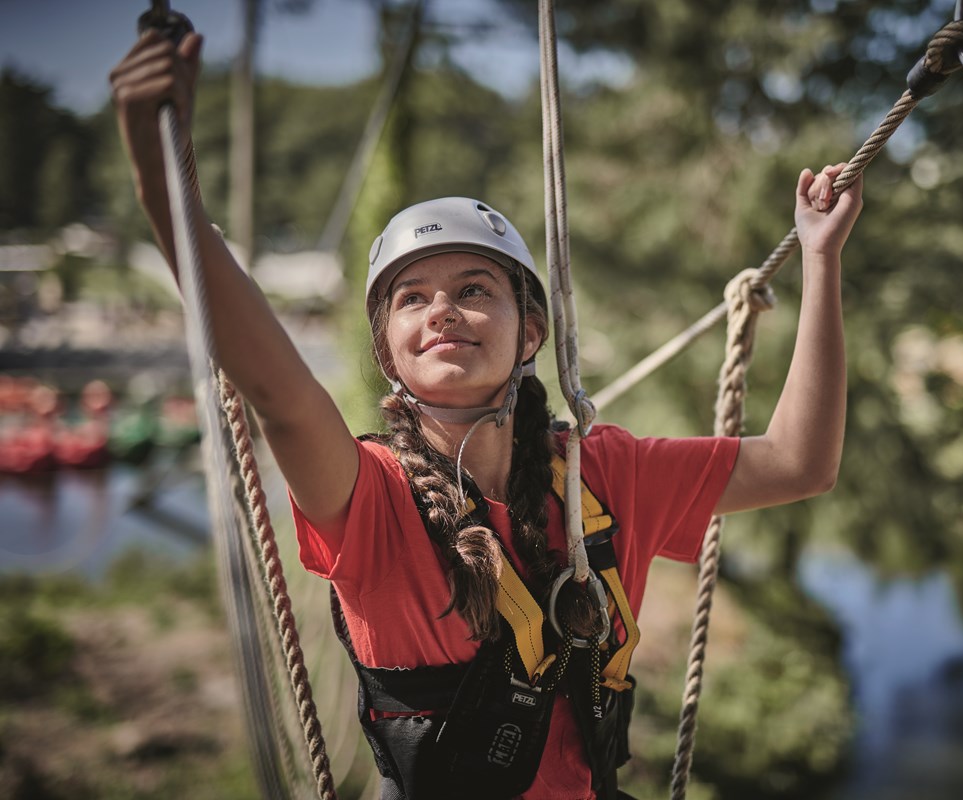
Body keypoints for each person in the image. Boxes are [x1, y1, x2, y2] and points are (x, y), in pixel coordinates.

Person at [110, 26, 863, 800]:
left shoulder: (603, 475)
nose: (442, 310)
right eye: (412, 298)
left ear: (530, 330)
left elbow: (801, 462)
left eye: (474, 289)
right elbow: (280, 398)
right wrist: (167, 201)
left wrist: (821, 259)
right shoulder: (368, 498)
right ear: (389, 352)